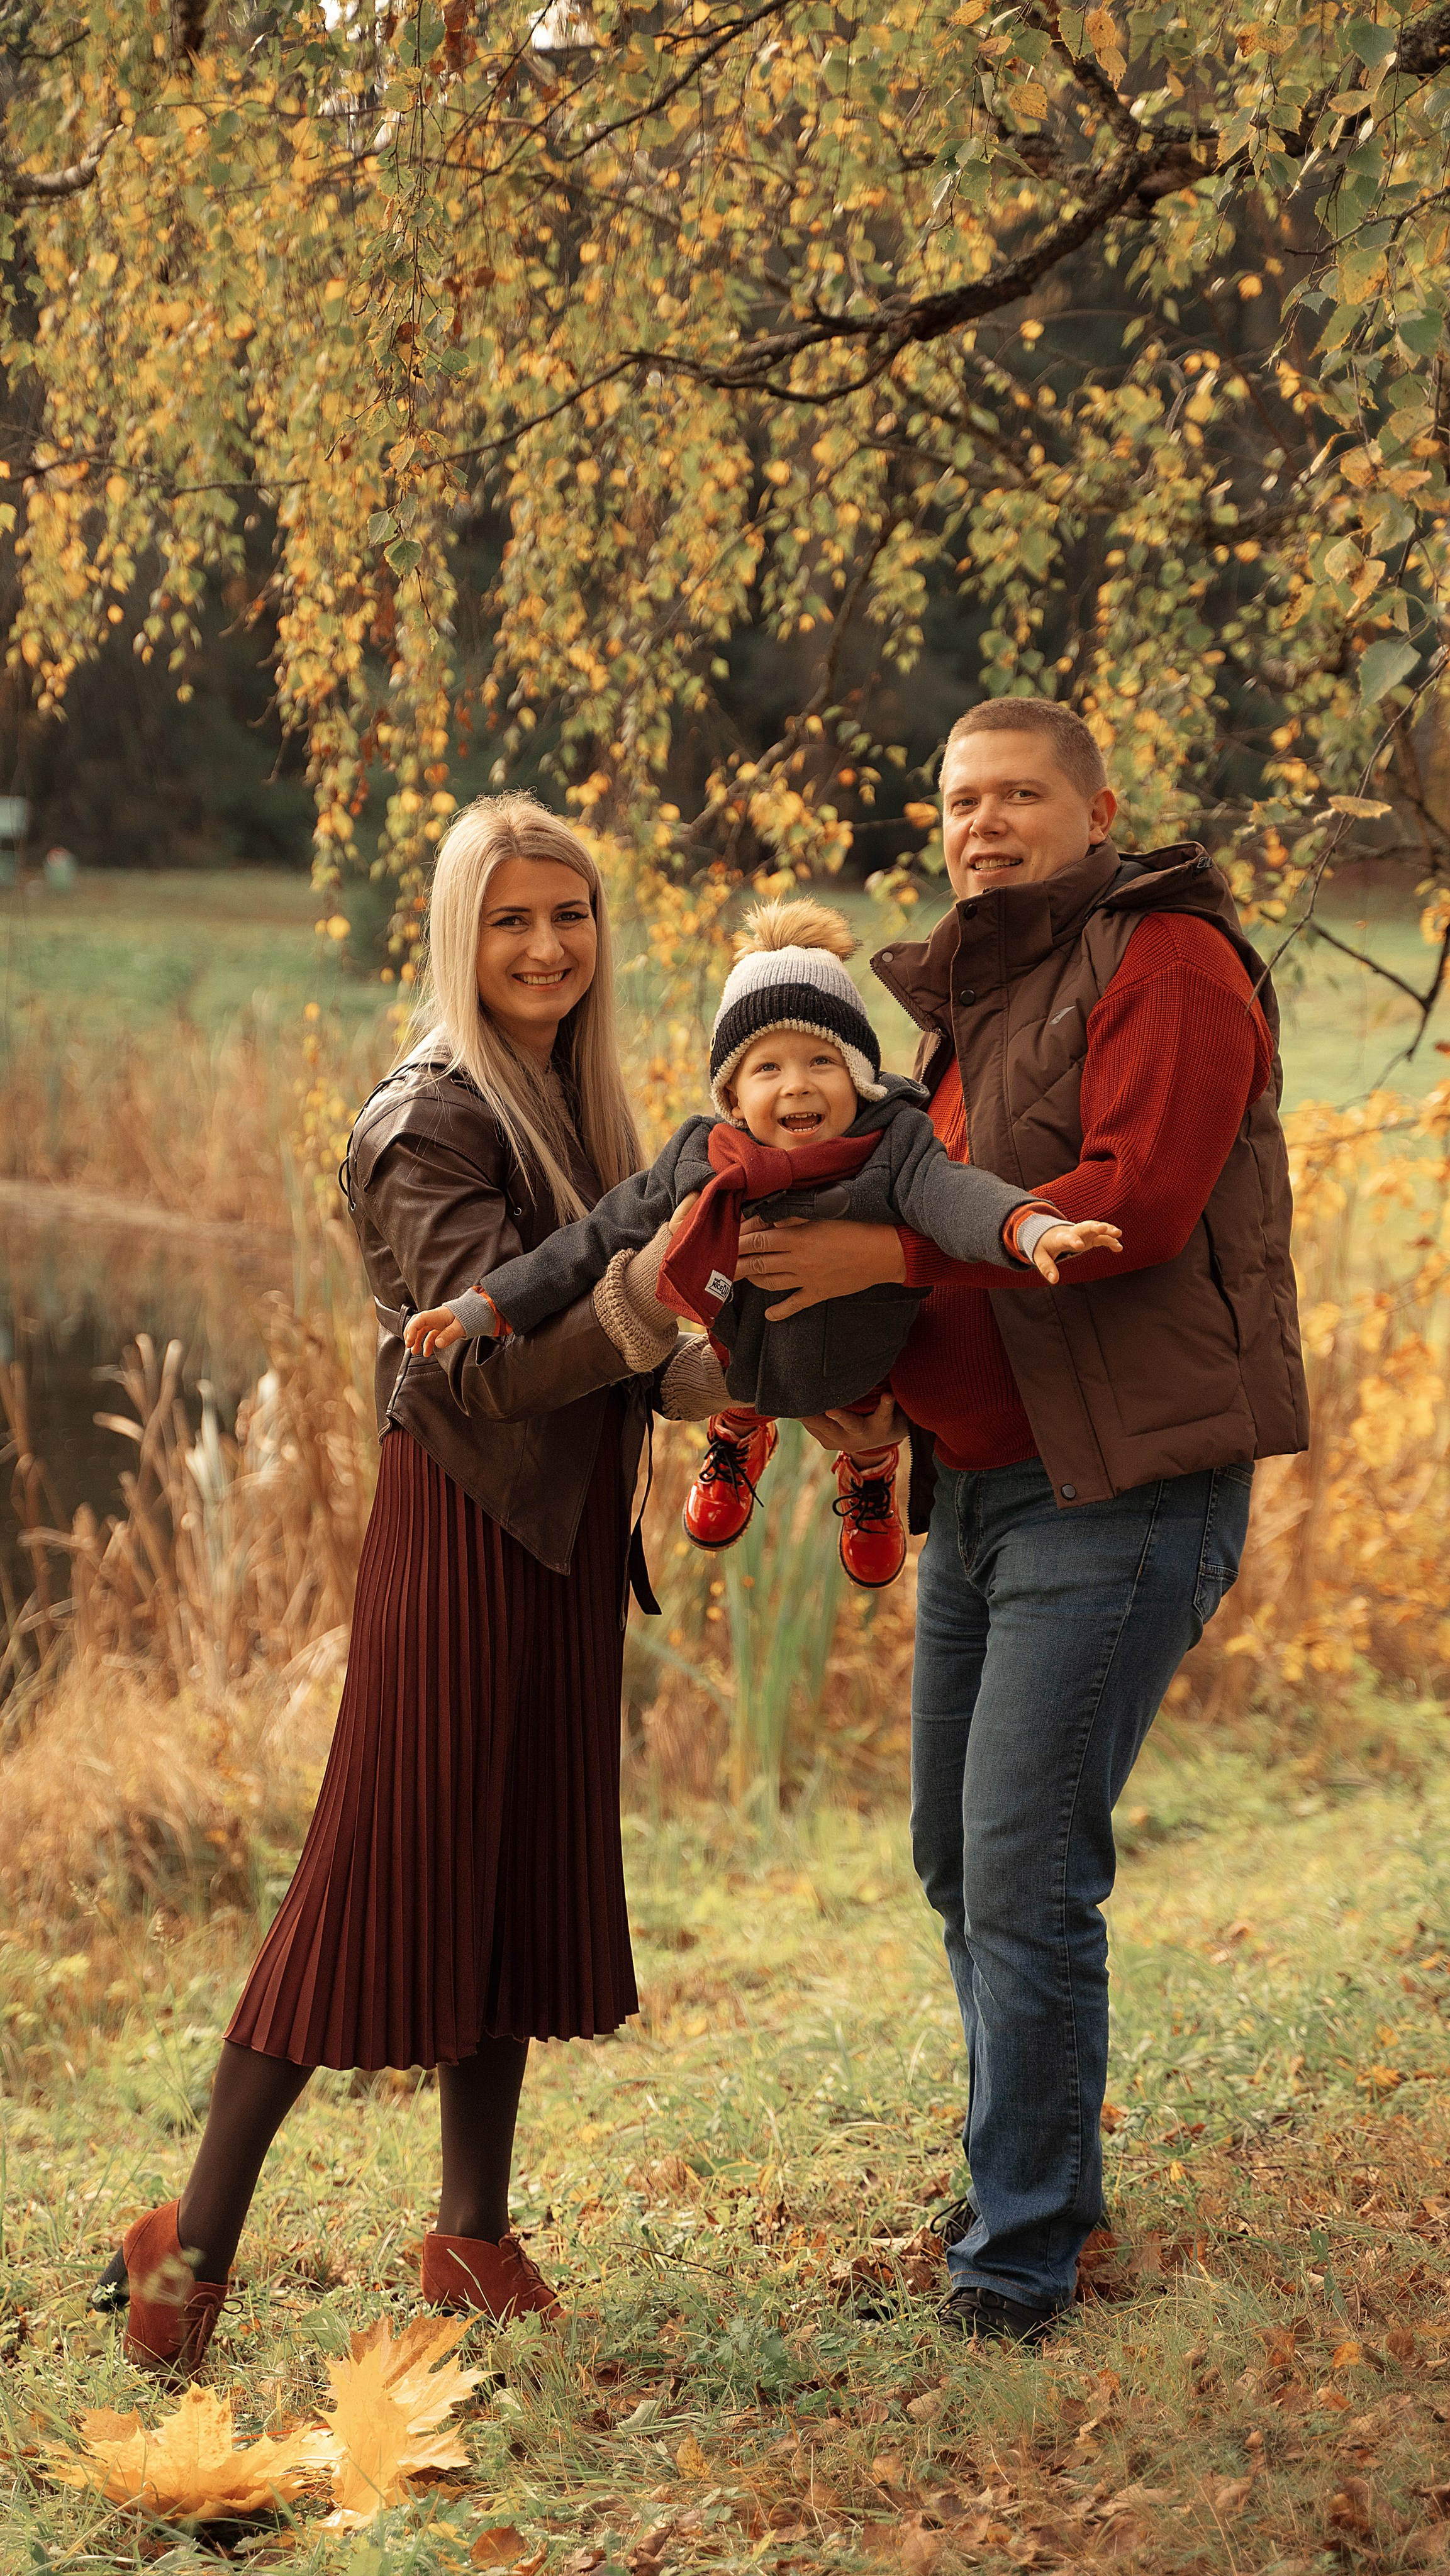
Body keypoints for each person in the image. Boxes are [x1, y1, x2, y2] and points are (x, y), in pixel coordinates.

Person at [734, 699, 1309, 2346]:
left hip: (1117, 1495)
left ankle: (1021, 2263)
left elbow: (1127, 1209)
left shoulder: (1168, 959)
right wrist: (853, 1391)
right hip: (978, 1494)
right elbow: (938, 1227)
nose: (984, 823)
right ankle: (1034, 2186)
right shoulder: (981, 1004)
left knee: (1022, 1869)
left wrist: (887, 1264)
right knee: (957, 1860)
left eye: (1019, 795)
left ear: (1097, 808)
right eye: (961, 800)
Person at [90, 793, 686, 2377]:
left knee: (503, 1870)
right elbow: (482, 1368)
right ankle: (190, 2249)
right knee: (367, 1880)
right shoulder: (427, 1114)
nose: (548, 945)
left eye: (571, 915)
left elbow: (620, 1310)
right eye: (512, 919)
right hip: (463, 1536)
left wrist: (715, 1363)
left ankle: (472, 2237)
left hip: (558, 1545)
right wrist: (646, 1323)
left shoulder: (574, 1096)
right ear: (458, 935)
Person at [403, 897, 1119, 1589]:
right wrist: (482, 1307)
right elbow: (592, 1239)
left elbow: (956, 1194)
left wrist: (1031, 1226)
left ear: (859, 1073)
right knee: (737, 1359)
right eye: (767, 1068)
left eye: (821, 1062)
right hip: (747, 1352)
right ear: (732, 1094)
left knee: (868, 1418)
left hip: (864, 1358)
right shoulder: (703, 1157)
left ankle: (868, 1472)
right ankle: (740, 1428)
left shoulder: (893, 1144)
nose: (797, 1087)